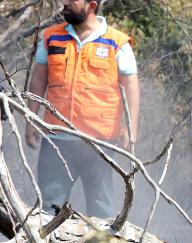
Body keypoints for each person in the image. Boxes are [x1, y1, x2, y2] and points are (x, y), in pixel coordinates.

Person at [25, 0, 140, 218]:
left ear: (91, 6)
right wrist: (31, 118)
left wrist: (131, 127)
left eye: (72, 0)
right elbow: (38, 79)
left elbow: (131, 87)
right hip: (57, 139)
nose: (64, 3)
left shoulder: (117, 42)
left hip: (100, 143)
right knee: (48, 209)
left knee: (101, 211)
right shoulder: (51, 37)